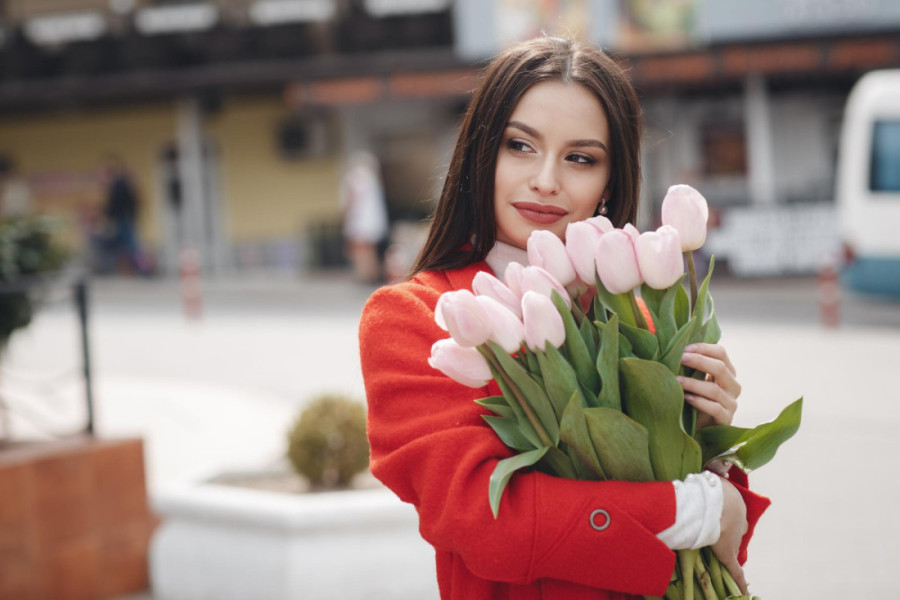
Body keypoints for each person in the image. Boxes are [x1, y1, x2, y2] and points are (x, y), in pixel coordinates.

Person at [359, 37, 770, 599]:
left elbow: (714, 548)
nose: (547, 179)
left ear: (610, 182)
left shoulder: (640, 316)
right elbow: (483, 521)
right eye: (520, 146)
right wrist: (695, 507)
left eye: (581, 158)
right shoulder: (419, 316)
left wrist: (706, 443)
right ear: (481, 155)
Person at [339, 151, 390, 284]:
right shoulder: (372, 179)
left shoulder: (354, 178)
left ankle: (363, 275)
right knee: (370, 250)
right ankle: (373, 275)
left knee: (360, 250)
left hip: (359, 220)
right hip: (373, 221)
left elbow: (351, 201)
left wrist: (345, 218)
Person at [98, 155, 148, 275]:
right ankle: (142, 269)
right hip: (126, 219)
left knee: (130, 246)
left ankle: (145, 269)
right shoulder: (121, 185)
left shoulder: (118, 186)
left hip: (123, 220)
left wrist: (107, 216)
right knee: (129, 245)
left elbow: (115, 205)